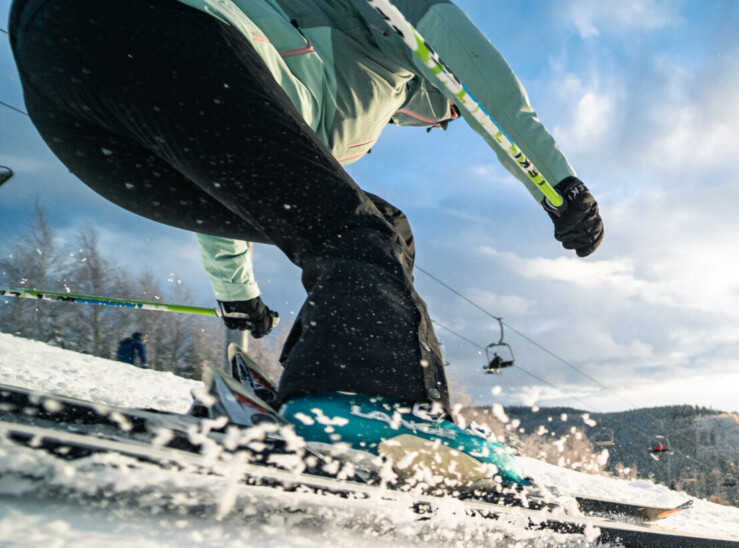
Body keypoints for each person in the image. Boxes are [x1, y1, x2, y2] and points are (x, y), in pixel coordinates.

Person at [10, 0, 603, 478]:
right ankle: (369, 402)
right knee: (370, 231)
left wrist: (236, 292)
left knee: (367, 221)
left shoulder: (350, 102)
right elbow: (486, 89)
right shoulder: (381, 25)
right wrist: (558, 185)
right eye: (445, 112)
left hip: (81, 95)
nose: (443, 121)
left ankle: (334, 393)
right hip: (156, 25)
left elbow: (236, 171)